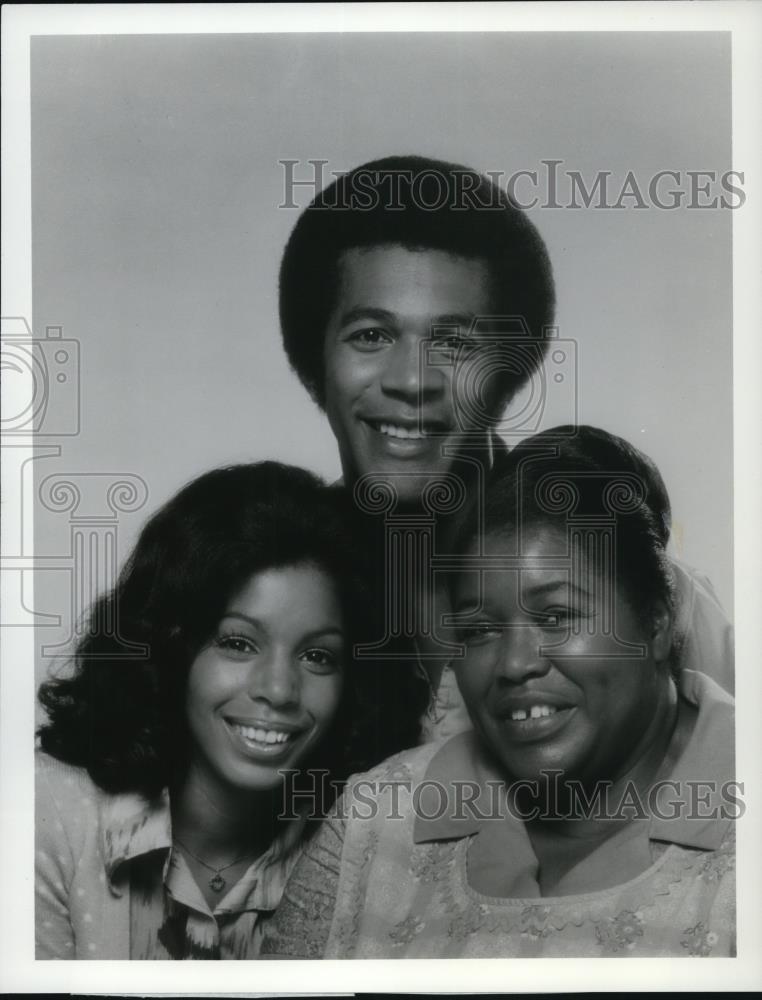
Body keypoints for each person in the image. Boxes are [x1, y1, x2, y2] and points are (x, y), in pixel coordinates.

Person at [278, 154, 734, 737]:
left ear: (510, 377)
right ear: (315, 366)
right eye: (371, 335)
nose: (412, 380)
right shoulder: (269, 594)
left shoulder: (645, 595)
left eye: (457, 344)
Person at [261, 427, 736, 958]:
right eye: (480, 630)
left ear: (656, 622)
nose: (513, 665)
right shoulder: (372, 825)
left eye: (555, 616)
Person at [35, 461, 424, 960]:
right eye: (239, 643)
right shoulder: (46, 814)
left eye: (318, 656)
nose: (279, 689)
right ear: (168, 645)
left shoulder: (371, 849)